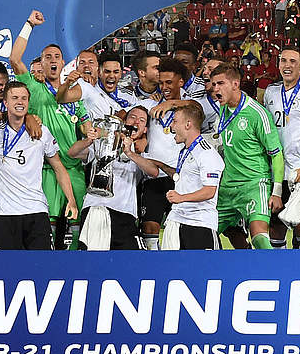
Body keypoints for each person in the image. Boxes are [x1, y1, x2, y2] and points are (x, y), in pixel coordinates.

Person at [8, 9, 89, 249]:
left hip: (73, 168)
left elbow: (87, 129)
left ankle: (75, 263)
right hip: (45, 167)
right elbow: (15, 59)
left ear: (63, 63)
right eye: (47, 57)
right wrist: (29, 25)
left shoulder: (74, 95)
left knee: (76, 223)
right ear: (41, 64)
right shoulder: (32, 87)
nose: (53, 60)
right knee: (48, 224)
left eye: (57, 56)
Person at [0, 81, 77, 249]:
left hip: (36, 210)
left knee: (42, 264)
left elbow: (58, 167)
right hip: (4, 213)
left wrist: (71, 199)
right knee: (3, 265)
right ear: (5, 103)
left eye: (24, 98)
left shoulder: (42, 132)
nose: (20, 102)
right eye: (15, 98)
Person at [207, 63, 283, 249]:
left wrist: (277, 192)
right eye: (214, 84)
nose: (215, 89)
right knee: (205, 233)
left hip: (254, 184)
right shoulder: (223, 109)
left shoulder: (257, 114)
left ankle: (276, 267)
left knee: (260, 238)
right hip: (227, 187)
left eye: (220, 84)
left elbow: (276, 154)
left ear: (235, 84)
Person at [127, 102, 223, 249]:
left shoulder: (207, 153)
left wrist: (181, 198)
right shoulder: (185, 151)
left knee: (205, 265)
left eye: (175, 121)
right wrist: (161, 165)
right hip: (176, 221)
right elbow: (180, 176)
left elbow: (209, 191)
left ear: (188, 124)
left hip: (199, 224)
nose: (171, 126)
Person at [262, 47, 300, 249]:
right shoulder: (271, 92)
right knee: (275, 226)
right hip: (276, 172)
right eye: (283, 61)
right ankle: (278, 265)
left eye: (292, 61)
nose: (287, 65)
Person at [68, 105, 148, 250]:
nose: (136, 122)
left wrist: (130, 153)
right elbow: (72, 153)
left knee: (134, 259)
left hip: (125, 213)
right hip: (96, 207)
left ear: (145, 130)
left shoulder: (143, 153)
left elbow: (154, 172)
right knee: (93, 261)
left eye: (142, 120)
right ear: (124, 122)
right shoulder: (102, 143)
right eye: (132, 117)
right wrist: (89, 140)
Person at [138, 58, 191, 248]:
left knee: (182, 228)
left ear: (181, 82)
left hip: (181, 177)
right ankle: (153, 263)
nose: (164, 87)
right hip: (154, 177)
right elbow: (129, 114)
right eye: (161, 83)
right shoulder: (149, 104)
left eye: (169, 82)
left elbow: (198, 108)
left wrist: (173, 104)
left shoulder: (190, 106)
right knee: (149, 226)